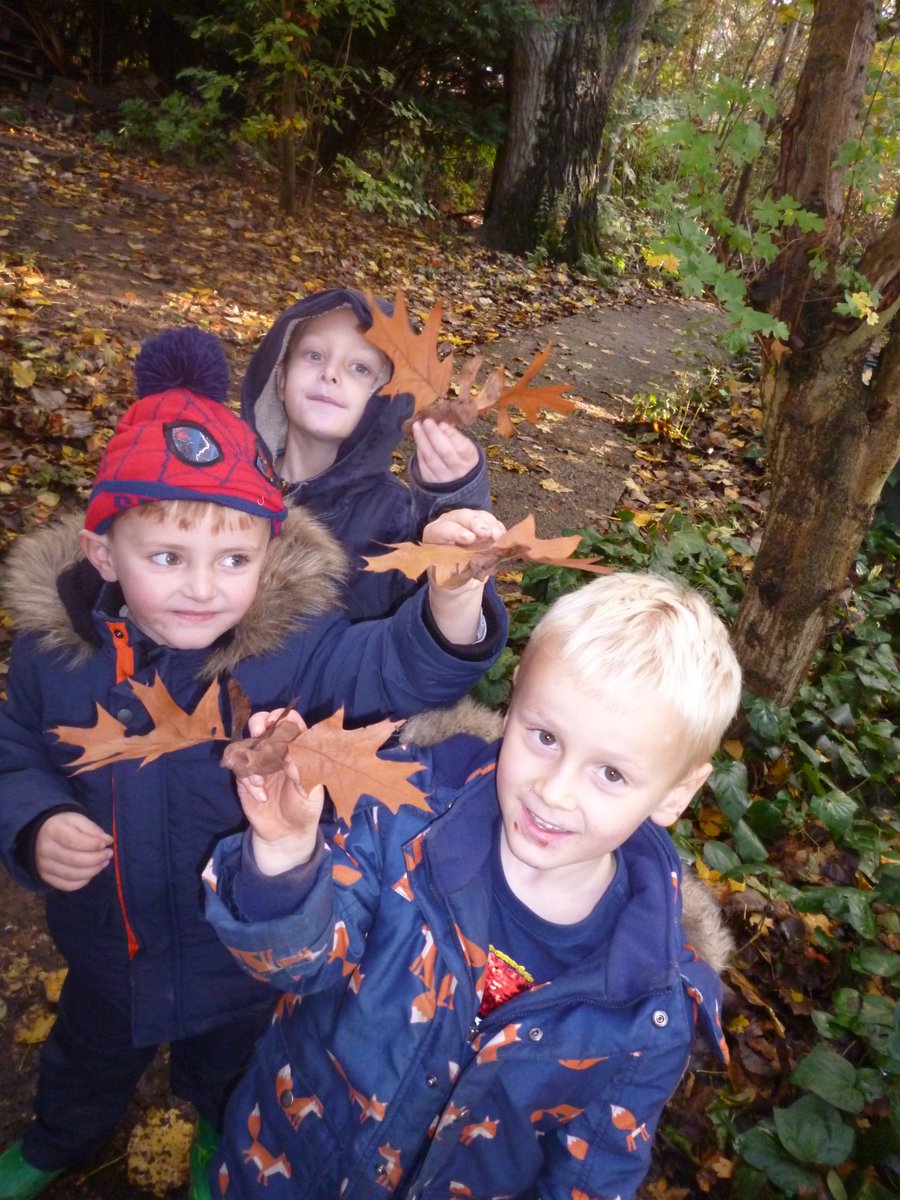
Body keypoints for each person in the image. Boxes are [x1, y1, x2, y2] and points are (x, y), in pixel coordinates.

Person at [0, 326, 507, 1200]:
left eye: (234, 559)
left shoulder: (289, 651)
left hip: (235, 956)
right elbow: (12, 747)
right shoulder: (53, 655)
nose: (203, 587)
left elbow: (396, 668)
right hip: (106, 948)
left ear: (269, 556)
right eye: (167, 557)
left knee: (228, 1071)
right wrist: (33, 820)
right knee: (86, 1055)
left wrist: (453, 600)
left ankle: (218, 1142)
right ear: (101, 553)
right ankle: (59, 1139)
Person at [203, 570, 742, 1200]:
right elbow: (294, 965)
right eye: (544, 738)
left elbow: (592, 1171)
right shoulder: (404, 818)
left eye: (612, 775)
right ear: (514, 701)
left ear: (676, 792)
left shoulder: (648, 1007)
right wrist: (285, 852)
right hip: (284, 1166)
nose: (554, 790)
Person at [241, 286, 492, 620]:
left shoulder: (395, 520)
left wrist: (455, 500)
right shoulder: (222, 482)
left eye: (359, 368)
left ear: (387, 398)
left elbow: (449, 615)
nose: (329, 373)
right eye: (314, 355)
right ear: (281, 377)